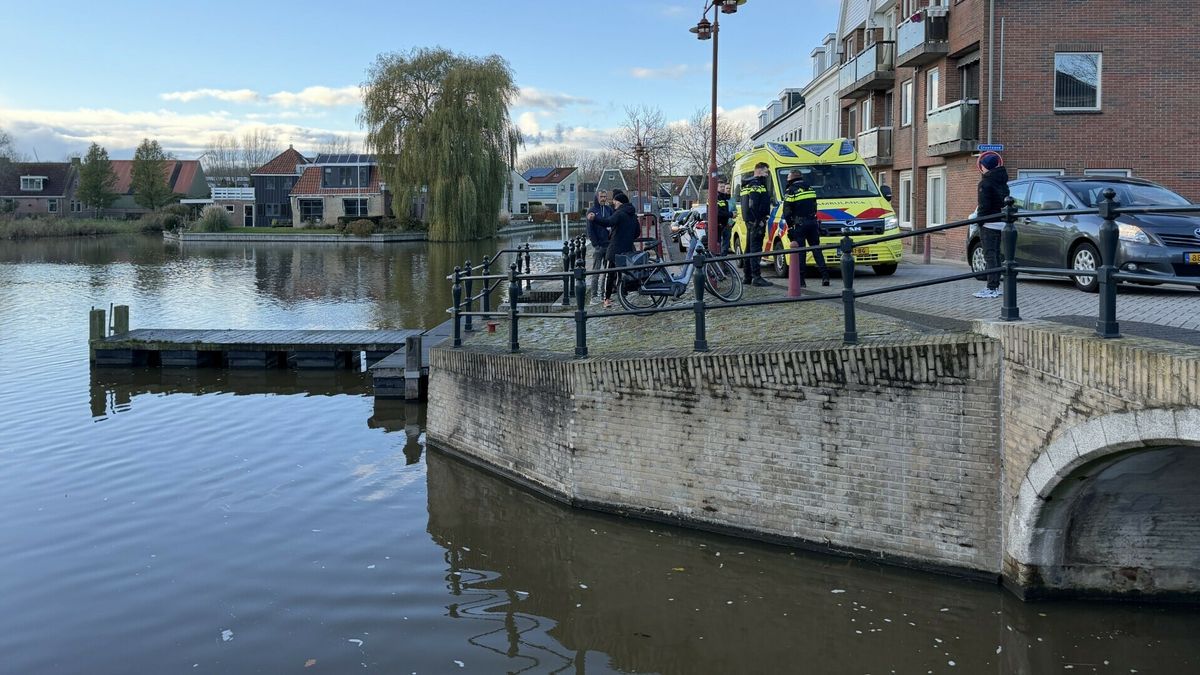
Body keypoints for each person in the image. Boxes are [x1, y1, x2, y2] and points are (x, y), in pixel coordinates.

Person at [587, 190, 640, 309]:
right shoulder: (633, 215)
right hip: (627, 248)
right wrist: (627, 237)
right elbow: (637, 232)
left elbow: (608, 222)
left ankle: (607, 299)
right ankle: (624, 292)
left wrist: (594, 218)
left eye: (615, 202)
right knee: (624, 272)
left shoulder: (619, 213)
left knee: (610, 273)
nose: (614, 204)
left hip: (615, 248)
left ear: (620, 202)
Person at [782, 169, 829, 287]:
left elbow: (787, 212)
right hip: (812, 222)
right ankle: (825, 277)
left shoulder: (790, 191)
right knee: (816, 250)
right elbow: (814, 206)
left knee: (801, 252)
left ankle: (801, 280)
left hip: (800, 224)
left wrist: (790, 226)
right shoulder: (810, 188)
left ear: (791, 179)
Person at [974, 152, 1009, 299]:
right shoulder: (1002, 181)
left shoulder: (985, 183)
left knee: (990, 255)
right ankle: (995, 286)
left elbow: (984, 205)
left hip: (989, 224)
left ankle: (991, 288)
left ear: (985, 166)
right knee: (996, 255)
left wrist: (979, 221)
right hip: (1001, 222)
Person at [739, 161, 774, 287]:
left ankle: (747, 276)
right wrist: (758, 221)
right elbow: (753, 204)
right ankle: (756, 277)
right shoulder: (756, 184)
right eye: (766, 172)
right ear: (759, 171)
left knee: (748, 249)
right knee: (756, 250)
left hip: (750, 221)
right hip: (756, 222)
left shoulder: (747, 184)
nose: (767, 175)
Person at [586, 190, 613, 300]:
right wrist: (595, 244)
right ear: (596, 197)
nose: (603, 198)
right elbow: (590, 230)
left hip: (608, 244)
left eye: (605, 196)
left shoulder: (608, 210)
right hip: (599, 246)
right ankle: (594, 295)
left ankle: (603, 294)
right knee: (596, 272)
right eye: (601, 196)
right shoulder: (591, 211)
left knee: (606, 272)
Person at [716, 178, 733, 254]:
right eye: (721, 187)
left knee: (725, 247)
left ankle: (723, 259)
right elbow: (718, 213)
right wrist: (731, 214)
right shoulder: (715, 198)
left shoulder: (724, 198)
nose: (723, 188)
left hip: (725, 225)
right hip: (718, 226)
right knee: (718, 246)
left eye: (724, 187)